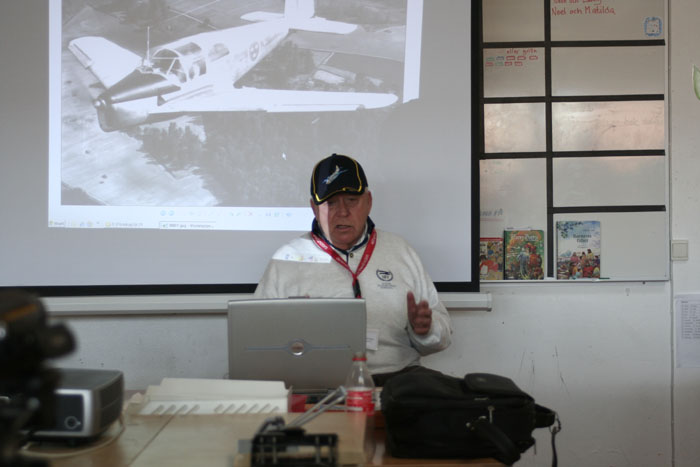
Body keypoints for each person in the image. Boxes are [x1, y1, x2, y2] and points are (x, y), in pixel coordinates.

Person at [254, 153, 452, 383]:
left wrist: (425, 330)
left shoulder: (401, 251)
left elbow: (443, 336)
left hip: (397, 381)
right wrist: (290, 338)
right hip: (317, 383)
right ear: (314, 208)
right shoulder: (286, 260)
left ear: (368, 202)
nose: (342, 212)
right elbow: (258, 340)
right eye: (330, 203)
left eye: (351, 200)